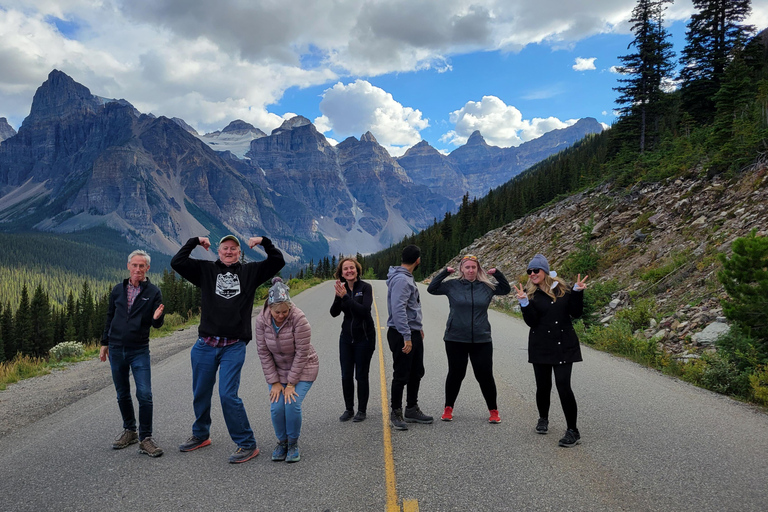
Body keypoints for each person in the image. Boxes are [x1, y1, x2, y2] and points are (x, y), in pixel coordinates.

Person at [171, 234, 284, 464]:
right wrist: (194, 241)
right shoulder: (205, 271)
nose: (229, 251)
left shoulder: (250, 272)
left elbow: (277, 261)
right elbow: (177, 262)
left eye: (233, 248)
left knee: (227, 395)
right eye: (225, 248)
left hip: (233, 345)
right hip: (205, 345)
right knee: (200, 392)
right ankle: (201, 434)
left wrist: (264, 241)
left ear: (239, 252)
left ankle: (247, 443)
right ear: (218, 251)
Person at [514, 254, 588, 448]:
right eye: (529, 271)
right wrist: (524, 304)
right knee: (543, 385)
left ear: (545, 271)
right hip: (541, 345)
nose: (531, 274)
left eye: (535, 270)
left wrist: (578, 292)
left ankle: (573, 430)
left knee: (563, 385)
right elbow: (531, 322)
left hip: (564, 344)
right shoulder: (531, 295)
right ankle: (543, 418)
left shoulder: (564, 290)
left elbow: (576, 313)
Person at [427, 254, 511, 423]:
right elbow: (432, 289)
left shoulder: (486, 287)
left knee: (485, 375)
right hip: (455, 338)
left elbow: (505, 289)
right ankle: (448, 408)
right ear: (462, 269)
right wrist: (445, 273)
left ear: (478, 269)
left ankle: (493, 411)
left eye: (474, 267)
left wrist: (497, 274)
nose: (471, 270)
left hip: (481, 339)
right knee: (456, 374)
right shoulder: (452, 285)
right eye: (467, 267)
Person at [100, 250, 165, 457]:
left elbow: (157, 324)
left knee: (144, 394)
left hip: (139, 350)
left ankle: (145, 438)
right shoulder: (118, 290)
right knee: (122, 393)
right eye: (134, 265)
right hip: (116, 349)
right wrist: (104, 343)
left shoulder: (153, 292)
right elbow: (110, 316)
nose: (138, 269)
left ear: (147, 268)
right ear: (128, 266)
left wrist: (156, 318)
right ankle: (130, 431)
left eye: (142, 266)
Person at [254, 278, 319, 463]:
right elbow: (263, 352)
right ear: (269, 307)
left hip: (304, 366)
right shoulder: (261, 321)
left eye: (285, 311)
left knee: (291, 404)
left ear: (290, 307)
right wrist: (274, 382)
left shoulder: (299, 319)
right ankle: (281, 442)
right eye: (277, 312)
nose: (281, 315)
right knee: (276, 407)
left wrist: (291, 384)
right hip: (278, 369)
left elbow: (302, 353)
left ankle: (293, 443)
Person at [386, 244, 433, 430]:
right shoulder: (402, 280)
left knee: (416, 371)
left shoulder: (404, 278)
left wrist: (417, 328)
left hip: (411, 331)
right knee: (402, 373)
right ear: (418, 260)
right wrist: (407, 335)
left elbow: (410, 307)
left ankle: (411, 408)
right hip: (401, 333)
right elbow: (398, 310)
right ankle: (396, 412)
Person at [330, 257, 376, 423]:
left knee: (361, 375)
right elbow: (334, 313)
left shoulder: (365, 288)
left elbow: (364, 311)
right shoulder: (341, 289)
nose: (349, 271)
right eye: (345, 269)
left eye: (352, 268)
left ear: (357, 270)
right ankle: (349, 409)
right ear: (341, 273)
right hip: (346, 338)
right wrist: (338, 297)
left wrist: (346, 298)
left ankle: (362, 410)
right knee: (345, 375)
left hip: (364, 337)